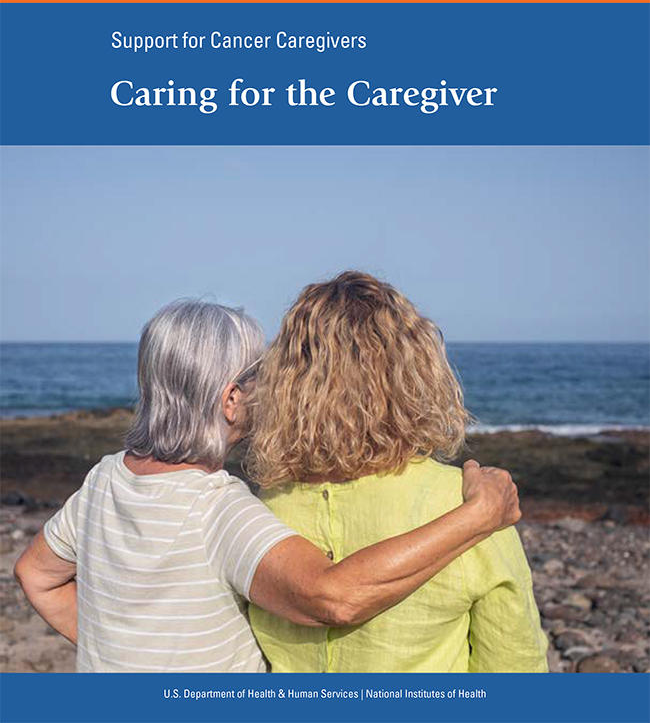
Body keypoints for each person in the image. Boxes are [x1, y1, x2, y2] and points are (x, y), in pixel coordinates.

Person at [14, 299, 520, 673]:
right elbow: (333, 598)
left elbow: (35, 575)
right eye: (261, 374)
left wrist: (120, 660)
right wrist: (479, 515)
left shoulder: (104, 478)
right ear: (231, 399)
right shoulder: (219, 509)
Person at [248, 272, 548, 672]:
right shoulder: (472, 503)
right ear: (415, 371)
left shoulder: (261, 509)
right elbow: (514, 667)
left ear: (289, 378)